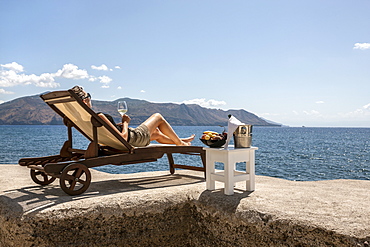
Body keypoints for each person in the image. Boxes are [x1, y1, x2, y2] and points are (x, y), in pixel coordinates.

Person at [71, 86, 194, 147]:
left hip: (116, 142)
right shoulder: (99, 116)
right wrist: (125, 122)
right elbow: (123, 138)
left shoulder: (80, 119)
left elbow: (109, 133)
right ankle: (181, 143)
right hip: (132, 139)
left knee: (156, 133)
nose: (90, 99)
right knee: (158, 117)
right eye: (89, 96)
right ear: (85, 101)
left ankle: (181, 140)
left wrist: (115, 126)